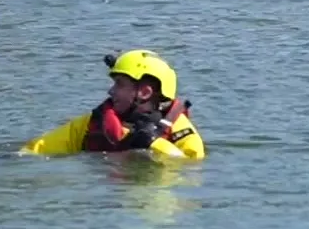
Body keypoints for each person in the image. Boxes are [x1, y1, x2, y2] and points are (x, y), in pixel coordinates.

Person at [22, 49, 206, 160]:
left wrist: (153, 143)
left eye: (119, 84)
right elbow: (34, 151)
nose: (110, 91)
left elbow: (189, 168)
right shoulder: (91, 124)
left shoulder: (180, 131)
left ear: (144, 92)